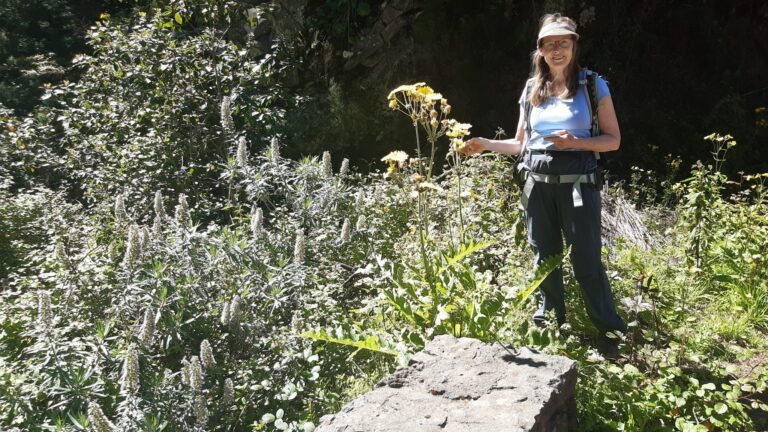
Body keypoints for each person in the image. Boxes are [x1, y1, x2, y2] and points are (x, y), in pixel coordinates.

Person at [460, 13, 627, 340]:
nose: (557, 50)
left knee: (586, 260)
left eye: (563, 42)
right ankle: (550, 331)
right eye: (550, 44)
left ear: (574, 46)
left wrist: (576, 143)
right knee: (545, 260)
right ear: (540, 50)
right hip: (536, 187)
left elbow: (613, 140)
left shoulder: (593, 85)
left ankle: (611, 334)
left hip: (578, 187)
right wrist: (486, 144)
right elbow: (520, 144)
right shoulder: (531, 89)